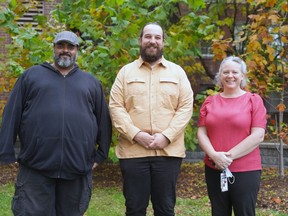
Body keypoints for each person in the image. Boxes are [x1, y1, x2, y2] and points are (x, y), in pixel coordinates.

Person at [0, 31, 112, 216]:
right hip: (36, 167)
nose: (65, 51)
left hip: (76, 168)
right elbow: (12, 113)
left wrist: (101, 155)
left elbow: (103, 122)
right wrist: (6, 153)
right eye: (61, 46)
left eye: (70, 47)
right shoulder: (31, 76)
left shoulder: (90, 83)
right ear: (54, 48)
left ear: (77, 50)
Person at [109, 22, 194, 216]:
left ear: (163, 42)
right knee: (134, 208)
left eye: (157, 37)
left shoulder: (177, 73)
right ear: (140, 41)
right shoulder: (125, 73)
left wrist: (167, 136)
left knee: (165, 209)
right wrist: (136, 134)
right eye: (148, 37)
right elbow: (115, 107)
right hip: (133, 152)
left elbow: (185, 108)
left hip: (168, 152)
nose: (152, 41)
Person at [197, 56, 267, 216]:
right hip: (213, 168)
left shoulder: (253, 101)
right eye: (225, 72)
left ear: (242, 76)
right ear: (220, 76)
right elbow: (201, 132)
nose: (230, 76)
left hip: (245, 170)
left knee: (244, 212)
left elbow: (258, 135)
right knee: (219, 212)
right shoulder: (209, 101)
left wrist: (227, 157)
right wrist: (214, 156)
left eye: (235, 72)